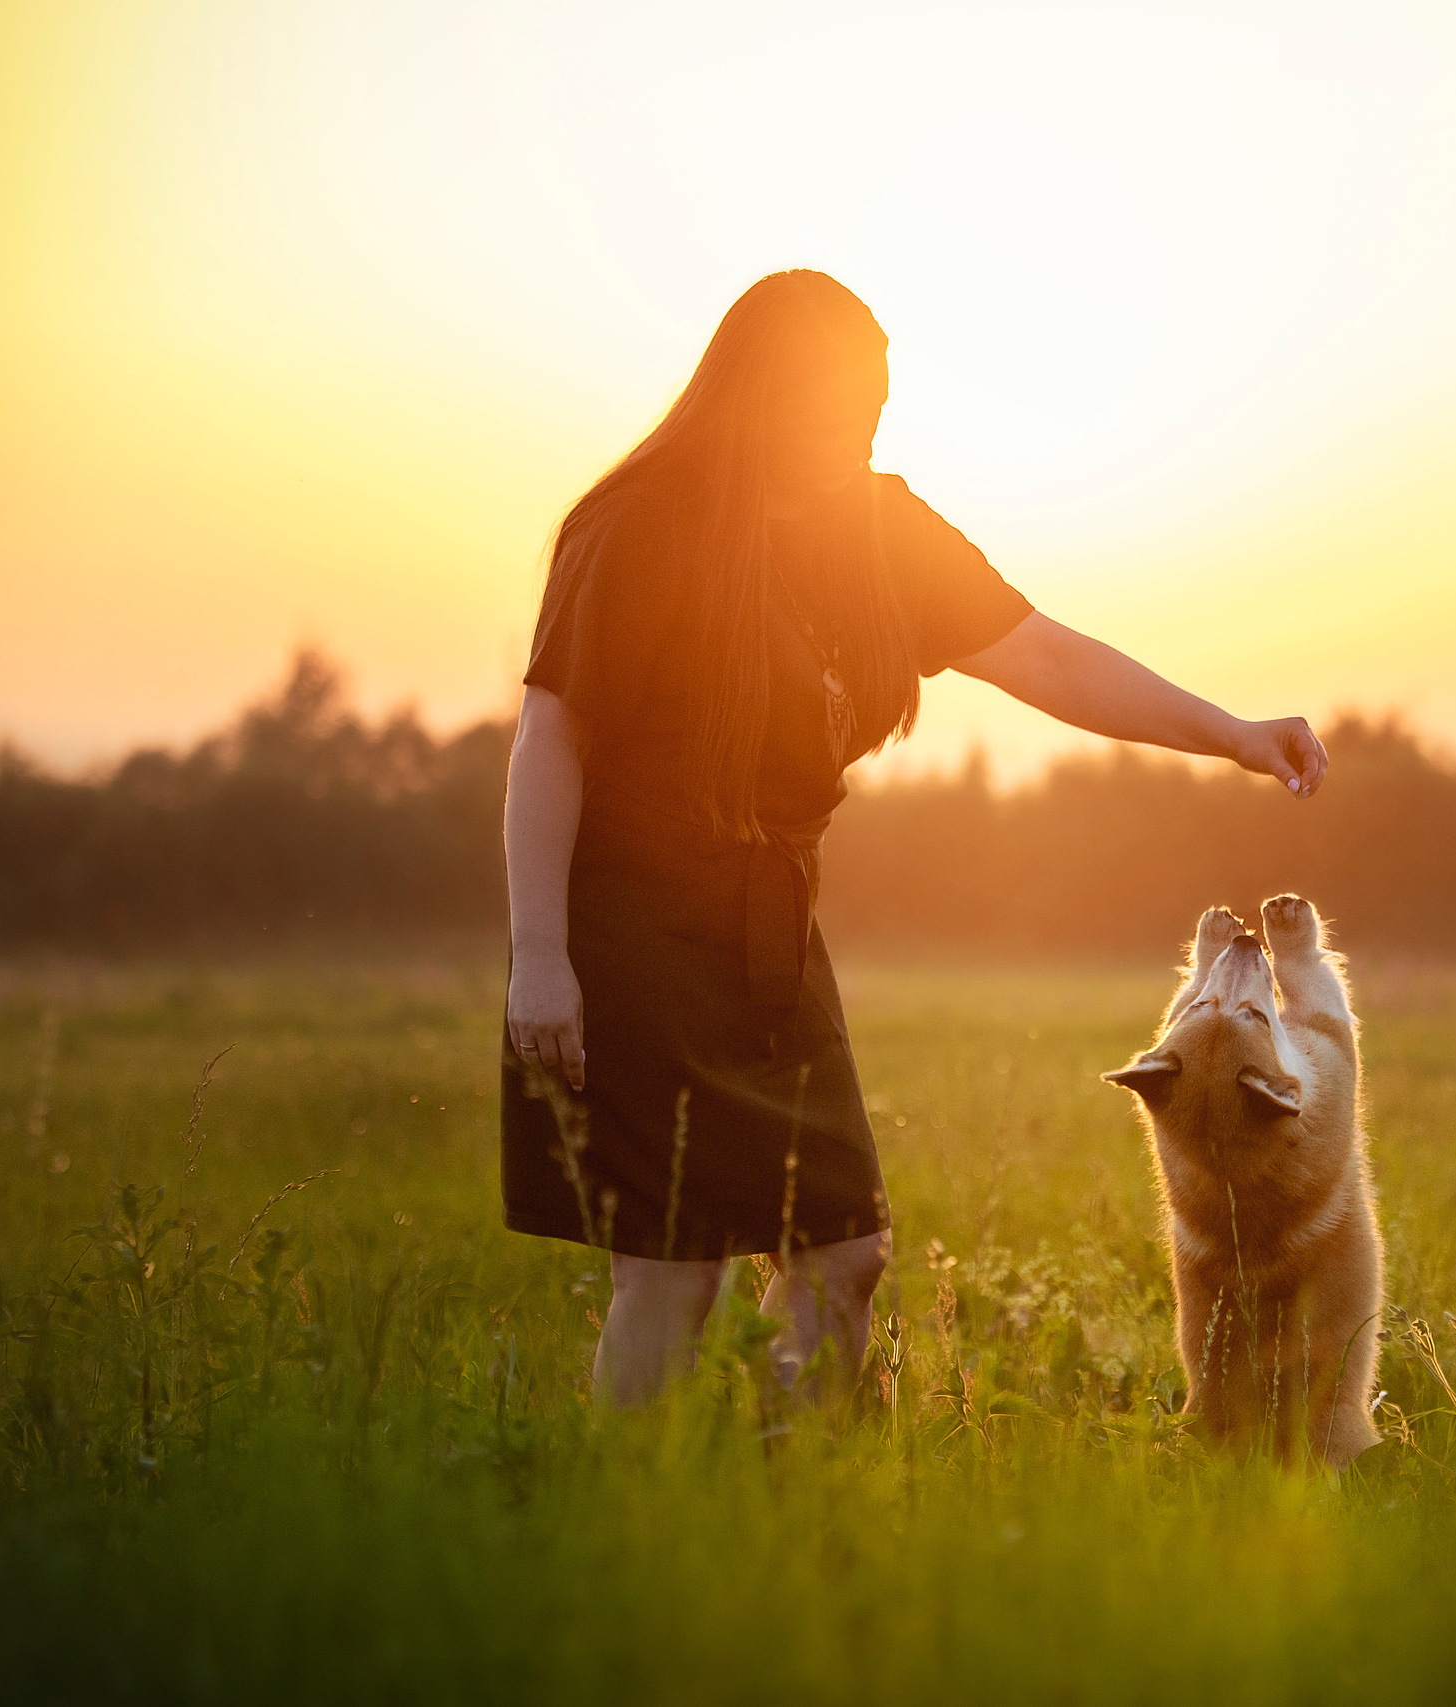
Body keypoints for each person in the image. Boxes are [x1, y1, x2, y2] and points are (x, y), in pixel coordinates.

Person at [501, 269, 1328, 1405]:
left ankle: (803, 1500)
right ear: (756, 393)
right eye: (831, 401)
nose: (859, 425)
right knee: (672, 1270)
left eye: (874, 400)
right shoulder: (644, 526)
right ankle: (640, 1520)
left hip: (770, 934)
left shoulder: (882, 528)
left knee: (843, 1251)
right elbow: (554, 733)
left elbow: (1041, 655)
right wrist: (539, 957)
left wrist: (1229, 734)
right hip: (633, 930)